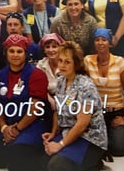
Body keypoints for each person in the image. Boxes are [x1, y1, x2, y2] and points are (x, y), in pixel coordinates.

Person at [0, 34, 49, 171]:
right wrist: (3, 128)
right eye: (11, 51)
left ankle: (36, 153)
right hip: (8, 124)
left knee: (17, 163)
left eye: (19, 51)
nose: (15, 55)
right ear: (6, 53)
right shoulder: (0, 74)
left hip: (31, 125)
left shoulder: (37, 74)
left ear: (25, 54)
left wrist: (17, 129)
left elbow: (36, 108)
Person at [41, 41, 107, 171]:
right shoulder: (60, 81)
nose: (62, 65)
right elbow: (57, 111)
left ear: (76, 64)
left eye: (67, 62)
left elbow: (82, 124)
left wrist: (60, 144)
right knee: (41, 161)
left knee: (56, 166)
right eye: (60, 61)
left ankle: (95, 163)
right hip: (68, 132)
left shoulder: (86, 86)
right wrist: (53, 134)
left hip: (89, 137)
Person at [84, 28, 124, 157]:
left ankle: (115, 135)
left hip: (116, 111)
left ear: (110, 43)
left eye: (104, 40)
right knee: (93, 147)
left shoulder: (120, 62)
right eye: (97, 40)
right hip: (96, 111)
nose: (100, 43)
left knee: (118, 150)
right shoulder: (88, 60)